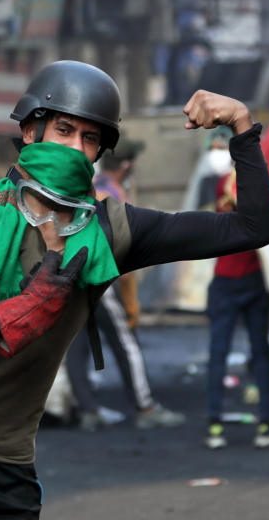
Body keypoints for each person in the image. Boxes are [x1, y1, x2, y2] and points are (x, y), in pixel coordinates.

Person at [0, 60, 269, 518]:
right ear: (30, 131)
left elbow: (254, 226)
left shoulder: (110, 231)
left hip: (2, 468)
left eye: (89, 139)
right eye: (64, 130)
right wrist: (20, 311)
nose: (74, 148)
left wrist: (241, 128)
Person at [66, 138, 185, 431]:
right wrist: (129, 296)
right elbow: (120, 246)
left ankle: (88, 411)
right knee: (124, 341)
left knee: (77, 344)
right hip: (100, 278)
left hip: (73, 275)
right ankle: (145, 406)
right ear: (128, 165)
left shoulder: (91, 186)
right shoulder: (111, 195)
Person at [204, 171, 269, 450]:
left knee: (219, 353)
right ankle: (266, 423)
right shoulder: (248, 184)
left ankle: (215, 425)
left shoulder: (225, 183)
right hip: (251, 279)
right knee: (260, 354)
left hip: (227, 278)